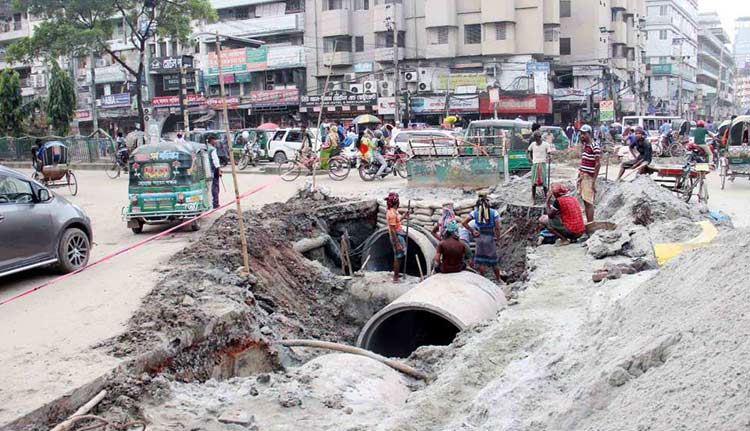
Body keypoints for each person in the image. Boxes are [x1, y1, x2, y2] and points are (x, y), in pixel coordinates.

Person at [462, 192, 501, 281]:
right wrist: (498, 239)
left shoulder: (475, 212)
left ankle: (483, 279)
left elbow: (463, 222)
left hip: (479, 238)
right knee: (494, 262)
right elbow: (497, 228)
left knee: (481, 261)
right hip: (489, 238)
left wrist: (473, 230)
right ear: (487, 199)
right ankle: (498, 279)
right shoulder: (494, 213)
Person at [577, 124, 600, 223]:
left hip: (589, 178)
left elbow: (598, 164)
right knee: (585, 202)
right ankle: (589, 224)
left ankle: (590, 225)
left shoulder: (594, 146)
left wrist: (594, 181)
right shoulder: (585, 146)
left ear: (589, 134)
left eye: (584, 134)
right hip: (583, 176)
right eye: (581, 133)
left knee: (588, 202)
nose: (582, 135)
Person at [386, 192, 409, 282]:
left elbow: (397, 222)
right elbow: (392, 230)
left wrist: (405, 216)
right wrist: (397, 243)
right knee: (398, 257)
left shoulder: (394, 212)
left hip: (398, 235)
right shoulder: (391, 214)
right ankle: (395, 278)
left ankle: (397, 273)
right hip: (396, 237)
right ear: (397, 202)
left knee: (400, 256)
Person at [527, 131, 551, 202]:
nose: (536, 140)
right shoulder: (533, 144)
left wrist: (549, 157)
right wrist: (529, 158)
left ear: (540, 137)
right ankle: (533, 197)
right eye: (535, 138)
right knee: (533, 182)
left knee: (544, 182)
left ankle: (546, 197)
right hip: (535, 164)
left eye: (537, 138)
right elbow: (528, 151)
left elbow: (549, 152)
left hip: (542, 164)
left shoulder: (546, 144)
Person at [206, 134, 222, 209]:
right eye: (214, 140)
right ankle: (215, 203)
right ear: (211, 140)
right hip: (213, 170)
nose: (215, 141)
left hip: (206, 170)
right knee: (215, 186)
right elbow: (216, 161)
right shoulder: (212, 149)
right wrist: (219, 170)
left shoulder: (205, 148)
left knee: (208, 187)